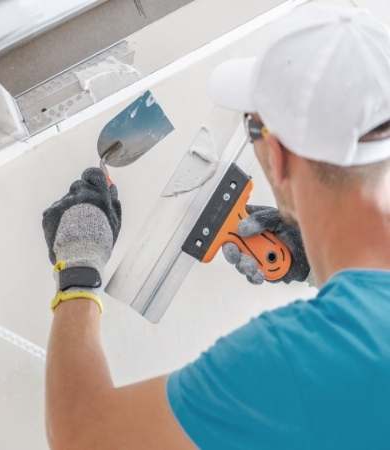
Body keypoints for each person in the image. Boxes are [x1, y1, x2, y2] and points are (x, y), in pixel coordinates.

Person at [41, 4, 390, 449]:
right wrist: (311, 265)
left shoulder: (305, 357)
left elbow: (84, 436)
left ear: (277, 156)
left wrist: (78, 273)